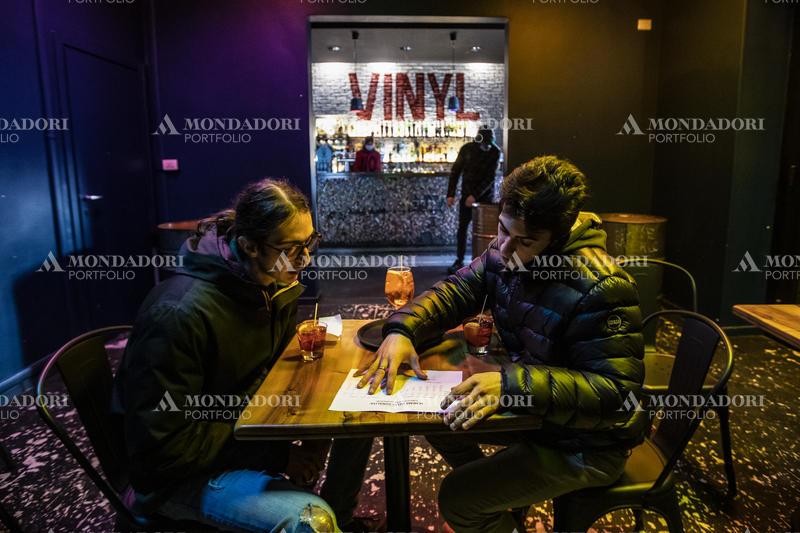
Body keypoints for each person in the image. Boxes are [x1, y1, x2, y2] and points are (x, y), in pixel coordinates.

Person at [355, 156, 647, 533]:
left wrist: (510, 385)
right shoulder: (505, 253)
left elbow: (616, 393)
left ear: (559, 237)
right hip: (541, 417)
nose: (505, 248)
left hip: (587, 444)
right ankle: (499, 508)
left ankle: (484, 507)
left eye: (524, 240)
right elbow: (457, 290)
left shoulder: (603, 285)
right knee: (438, 418)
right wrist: (402, 330)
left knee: (457, 499)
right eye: (503, 230)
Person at [112, 178, 369, 532]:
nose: (306, 259)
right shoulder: (178, 314)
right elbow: (163, 452)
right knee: (310, 519)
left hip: (242, 431)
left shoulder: (268, 282)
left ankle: (343, 518)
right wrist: (280, 454)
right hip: (175, 478)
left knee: (358, 415)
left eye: (310, 243)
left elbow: (268, 373)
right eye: (292, 248)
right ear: (249, 245)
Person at [446, 127, 501, 274]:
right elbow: (455, 171)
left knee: (486, 233)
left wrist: (474, 196)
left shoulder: (495, 152)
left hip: (484, 199)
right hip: (467, 196)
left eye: (489, 145)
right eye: (485, 144)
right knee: (462, 229)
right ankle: (459, 260)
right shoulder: (467, 149)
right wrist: (450, 194)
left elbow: (490, 178)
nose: (487, 147)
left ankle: (485, 262)